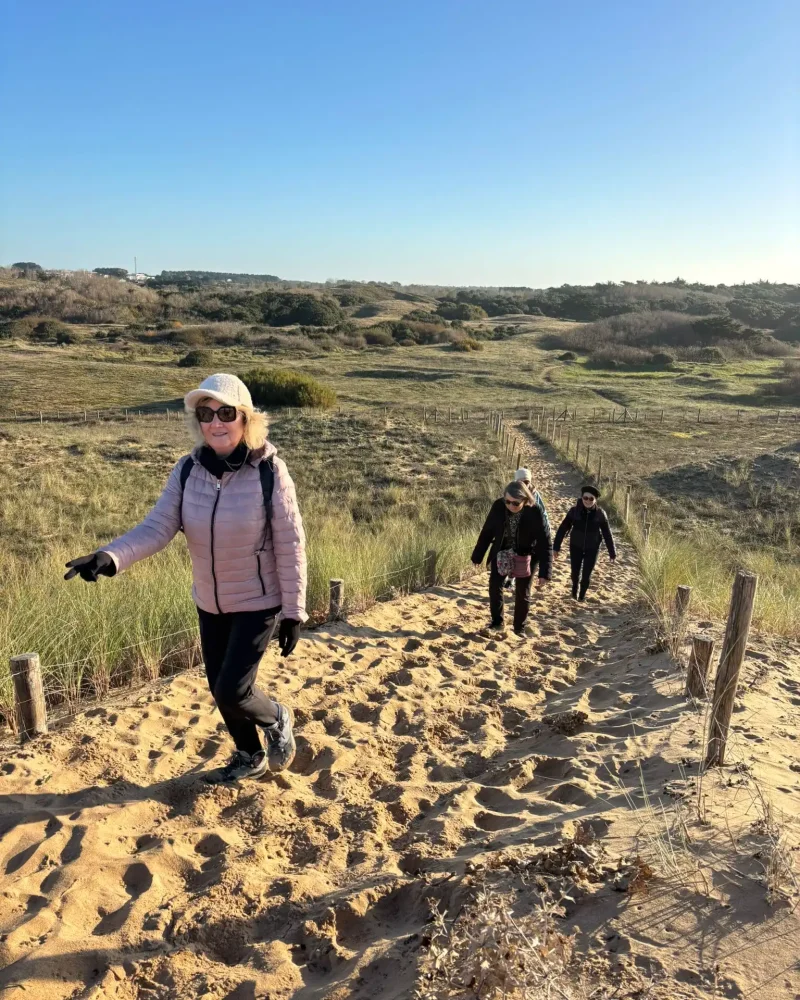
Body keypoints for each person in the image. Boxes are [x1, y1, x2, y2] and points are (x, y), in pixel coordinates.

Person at [65, 373, 306, 784]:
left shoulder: (270, 472)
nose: (216, 422)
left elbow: (291, 542)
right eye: (206, 413)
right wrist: (109, 557)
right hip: (210, 601)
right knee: (219, 687)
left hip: (257, 600)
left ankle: (278, 717)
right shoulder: (187, 471)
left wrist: (294, 610)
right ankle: (249, 756)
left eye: (226, 412)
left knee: (234, 690)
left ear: (245, 419)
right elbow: (157, 527)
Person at [471, 480, 552, 635]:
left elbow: (545, 542)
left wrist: (545, 572)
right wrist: (477, 556)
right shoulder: (498, 507)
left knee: (523, 591)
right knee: (495, 586)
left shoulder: (535, 512)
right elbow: (487, 532)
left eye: (515, 503)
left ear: (525, 500)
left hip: (527, 554)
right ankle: (497, 623)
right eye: (507, 501)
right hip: (501, 552)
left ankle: (519, 628)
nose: (510, 506)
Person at [553, 485, 616, 601]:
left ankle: (581, 597)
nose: (587, 501)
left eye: (591, 499)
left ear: (595, 500)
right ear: (581, 498)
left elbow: (607, 534)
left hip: (592, 548)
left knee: (586, 575)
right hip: (575, 546)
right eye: (585, 498)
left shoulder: (600, 514)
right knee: (575, 573)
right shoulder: (574, 512)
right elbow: (562, 529)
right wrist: (556, 547)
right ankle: (574, 591)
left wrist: (612, 553)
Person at [514, 467, 551, 535]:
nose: (524, 485)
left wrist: (547, 529)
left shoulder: (534, 494)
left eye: (526, 482)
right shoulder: (511, 494)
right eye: (521, 483)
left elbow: (543, 513)